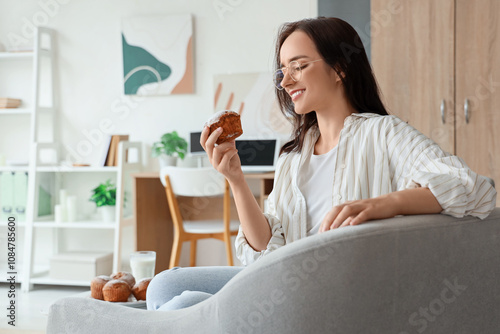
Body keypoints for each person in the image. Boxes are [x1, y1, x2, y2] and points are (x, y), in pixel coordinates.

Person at [146, 17, 496, 311]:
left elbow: (473, 188)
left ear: (340, 68)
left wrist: (381, 205)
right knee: (163, 286)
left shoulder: (382, 133)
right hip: (285, 280)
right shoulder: (292, 157)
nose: (285, 81)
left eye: (298, 66)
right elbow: (267, 252)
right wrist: (236, 180)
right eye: (282, 71)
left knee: (182, 305)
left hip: (334, 293)